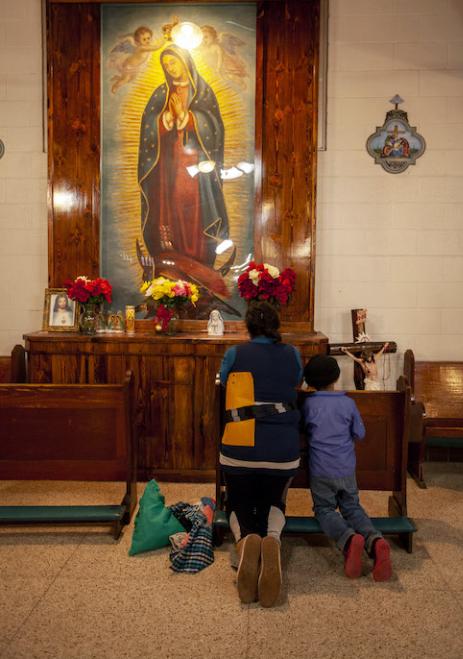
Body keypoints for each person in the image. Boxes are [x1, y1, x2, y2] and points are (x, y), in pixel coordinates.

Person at [219, 301, 303, 607]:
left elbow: (225, 383)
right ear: (276, 326)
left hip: (240, 448)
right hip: (283, 451)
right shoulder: (292, 353)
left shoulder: (234, 354)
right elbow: (296, 383)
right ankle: (272, 541)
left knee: (237, 501)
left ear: (248, 327)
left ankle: (246, 544)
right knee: (274, 500)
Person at [138, 44, 230, 268]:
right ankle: (171, 260)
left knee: (192, 205)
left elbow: (215, 127)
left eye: (173, 61)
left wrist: (188, 117)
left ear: (185, 60)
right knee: (168, 206)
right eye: (166, 64)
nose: (170, 67)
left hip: (195, 165)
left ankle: (199, 259)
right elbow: (147, 126)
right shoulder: (161, 93)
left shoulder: (202, 91)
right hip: (166, 164)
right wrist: (166, 119)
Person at [302, 355, 392, 581]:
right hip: (346, 469)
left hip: (321, 470)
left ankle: (349, 539)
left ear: (309, 380)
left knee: (324, 510)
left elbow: (303, 431)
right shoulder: (347, 402)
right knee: (352, 507)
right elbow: (360, 434)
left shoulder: (309, 404)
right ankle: (376, 541)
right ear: (336, 377)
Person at [109, 26, 163, 94]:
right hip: (129, 66)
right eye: (144, 39)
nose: (147, 41)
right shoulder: (142, 48)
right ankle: (115, 86)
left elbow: (132, 35)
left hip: (135, 67)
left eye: (148, 38)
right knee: (126, 79)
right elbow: (156, 47)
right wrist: (164, 40)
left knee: (131, 79)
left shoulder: (146, 46)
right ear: (138, 41)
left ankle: (118, 78)